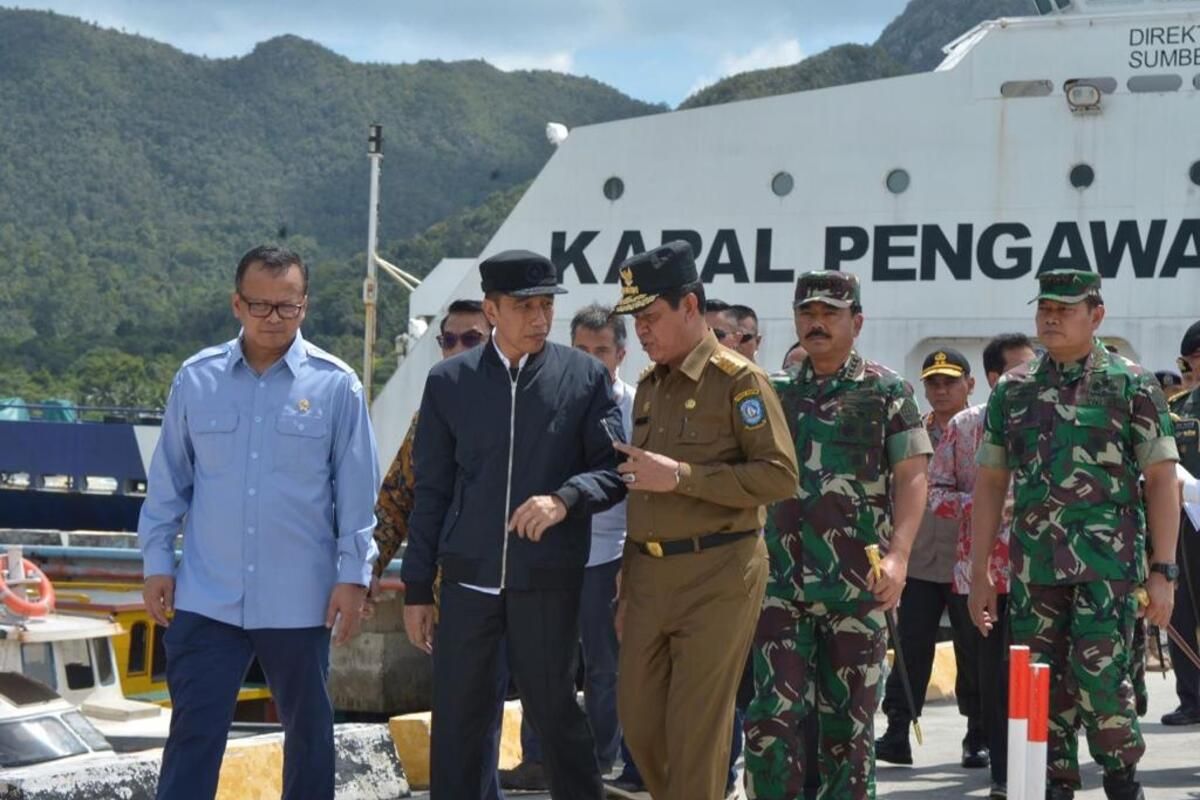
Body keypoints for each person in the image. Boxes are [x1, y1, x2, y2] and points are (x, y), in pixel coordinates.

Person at [138, 245, 380, 800]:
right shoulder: (195, 380)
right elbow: (169, 483)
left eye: (287, 307)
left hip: (300, 599)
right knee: (194, 735)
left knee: (310, 736)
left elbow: (356, 495)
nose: (274, 319)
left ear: (305, 306)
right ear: (237, 304)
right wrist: (157, 564)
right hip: (207, 595)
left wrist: (352, 578)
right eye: (261, 306)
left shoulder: (336, 386)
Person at [401, 250, 626, 800]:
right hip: (467, 583)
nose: (540, 319)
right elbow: (429, 491)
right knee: (458, 723)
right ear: (492, 309)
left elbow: (615, 471)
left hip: (547, 580)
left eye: (547, 305)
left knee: (555, 717)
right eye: (525, 306)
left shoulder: (585, 378)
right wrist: (415, 588)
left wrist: (564, 500)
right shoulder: (448, 383)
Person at [969, 270, 1180, 800]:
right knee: (1039, 687)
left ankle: (1120, 779)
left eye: (1065, 308)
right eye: (1045, 307)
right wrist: (978, 572)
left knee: (1103, 679)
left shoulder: (1130, 382)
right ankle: (1053, 781)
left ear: (1097, 314)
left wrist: (1164, 570)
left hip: (1107, 569)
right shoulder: (1014, 389)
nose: (1051, 317)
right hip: (1034, 566)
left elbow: (1160, 478)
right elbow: (992, 481)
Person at [610, 241, 799, 800]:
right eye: (636, 320)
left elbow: (779, 476)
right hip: (648, 576)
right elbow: (641, 489)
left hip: (719, 572)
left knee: (697, 730)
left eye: (650, 316)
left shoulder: (738, 381)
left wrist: (685, 476)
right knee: (640, 722)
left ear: (689, 306)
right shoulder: (649, 385)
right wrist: (627, 575)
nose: (640, 331)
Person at [746, 270, 932, 800]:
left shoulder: (886, 391)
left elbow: (913, 476)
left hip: (857, 586)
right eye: (808, 313)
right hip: (779, 585)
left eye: (830, 314)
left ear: (857, 322)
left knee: (848, 729)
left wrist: (899, 557)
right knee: (771, 721)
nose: (817, 323)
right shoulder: (769, 391)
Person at [371, 299, 506, 800]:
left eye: (471, 338)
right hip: (459, 595)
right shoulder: (430, 415)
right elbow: (396, 501)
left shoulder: (524, 404)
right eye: (448, 340)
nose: (457, 349)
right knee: (463, 724)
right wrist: (369, 569)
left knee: (540, 721)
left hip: (531, 590)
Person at [501, 303, 633, 790]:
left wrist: (631, 564)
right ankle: (538, 758)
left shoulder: (635, 406)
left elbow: (635, 489)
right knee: (543, 665)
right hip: (553, 553)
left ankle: (598, 759)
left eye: (602, 350)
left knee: (603, 667)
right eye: (581, 349)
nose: (593, 360)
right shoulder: (553, 396)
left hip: (607, 554)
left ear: (621, 353)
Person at [926, 333, 1037, 799]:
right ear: (993, 379)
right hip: (981, 574)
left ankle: (1040, 769)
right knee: (992, 677)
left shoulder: (1047, 418)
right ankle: (1003, 774)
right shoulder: (966, 427)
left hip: (1039, 572)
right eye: (1019, 370)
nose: (1032, 378)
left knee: (1037, 674)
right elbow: (935, 495)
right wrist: (986, 502)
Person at [877, 347, 987, 770]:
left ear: (969, 385)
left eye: (949, 382)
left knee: (972, 651)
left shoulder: (980, 430)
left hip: (965, 562)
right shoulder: (910, 432)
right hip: (920, 561)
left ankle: (977, 734)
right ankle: (897, 732)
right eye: (933, 383)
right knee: (910, 647)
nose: (940, 391)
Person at [1163, 319, 1200, 727]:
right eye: (1195, 358)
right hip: (1185, 519)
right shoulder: (1176, 410)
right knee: (1182, 608)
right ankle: (1191, 697)